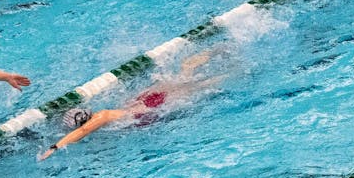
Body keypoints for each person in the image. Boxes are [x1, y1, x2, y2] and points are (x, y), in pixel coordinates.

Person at [39, 51, 221, 160]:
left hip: (152, 106)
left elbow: (82, 132)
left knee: (202, 85)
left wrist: (54, 147)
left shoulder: (103, 116)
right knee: (185, 77)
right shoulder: (107, 113)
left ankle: (231, 68)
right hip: (144, 101)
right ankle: (210, 54)